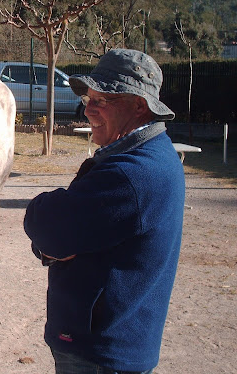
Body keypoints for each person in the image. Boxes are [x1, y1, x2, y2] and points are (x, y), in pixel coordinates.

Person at [24, 49, 185, 374]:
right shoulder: (152, 155)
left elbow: (46, 226)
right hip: (110, 345)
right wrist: (53, 247)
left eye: (102, 100)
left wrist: (51, 239)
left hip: (99, 354)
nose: (88, 110)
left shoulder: (131, 173)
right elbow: (57, 238)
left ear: (139, 106)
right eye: (88, 98)